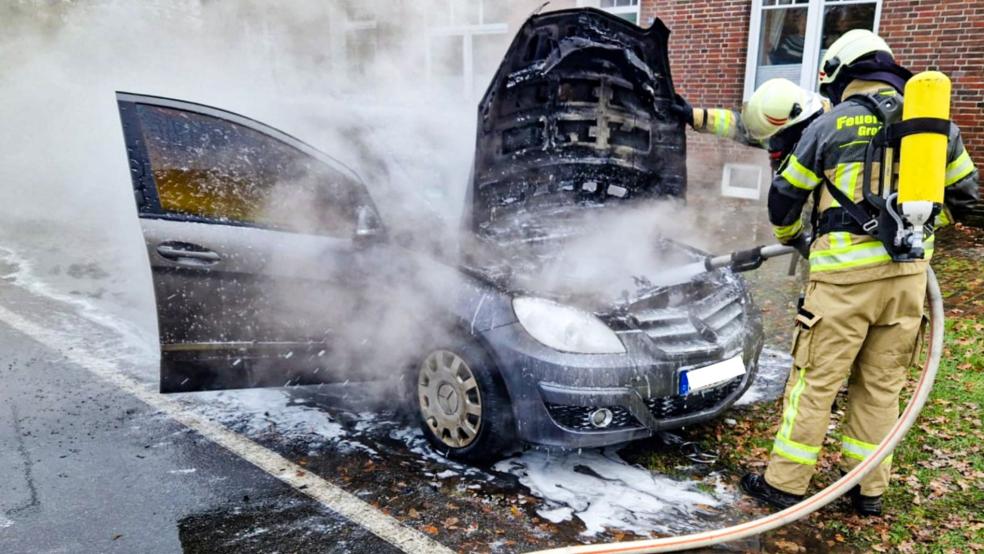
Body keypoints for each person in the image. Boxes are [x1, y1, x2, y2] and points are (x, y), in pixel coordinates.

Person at [740, 29, 979, 516]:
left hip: (842, 285)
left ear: (840, 73)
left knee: (815, 383)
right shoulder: (935, 127)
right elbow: (970, 202)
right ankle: (867, 490)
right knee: (880, 387)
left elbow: (784, 196)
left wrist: (793, 239)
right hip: (909, 282)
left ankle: (784, 485)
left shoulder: (832, 124)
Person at [672, 78, 831, 173]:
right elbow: (740, 127)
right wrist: (695, 116)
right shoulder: (789, 125)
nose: (771, 141)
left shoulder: (830, 139)